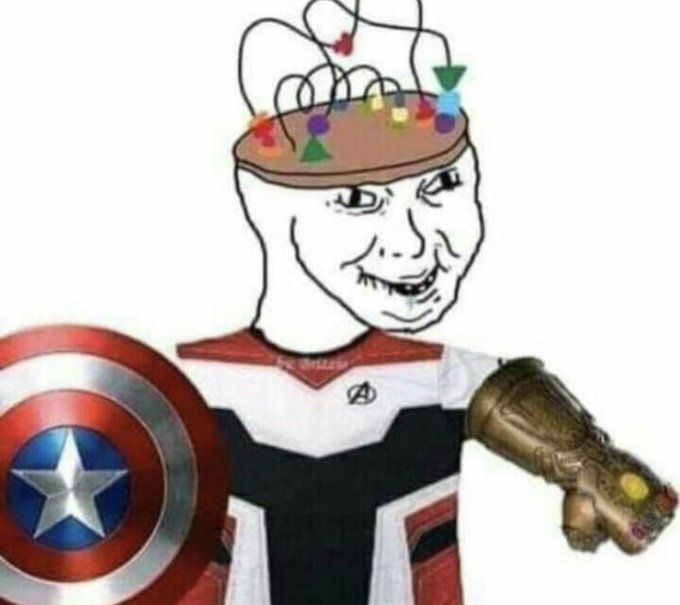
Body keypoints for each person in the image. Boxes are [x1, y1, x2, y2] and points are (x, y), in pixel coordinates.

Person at [175, 2, 677, 604]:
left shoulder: (442, 376)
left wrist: (596, 474)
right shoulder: (171, 385)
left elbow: (632, 500)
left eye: (441, 186)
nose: (412, 243)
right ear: (262, 201)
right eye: (358, 199)